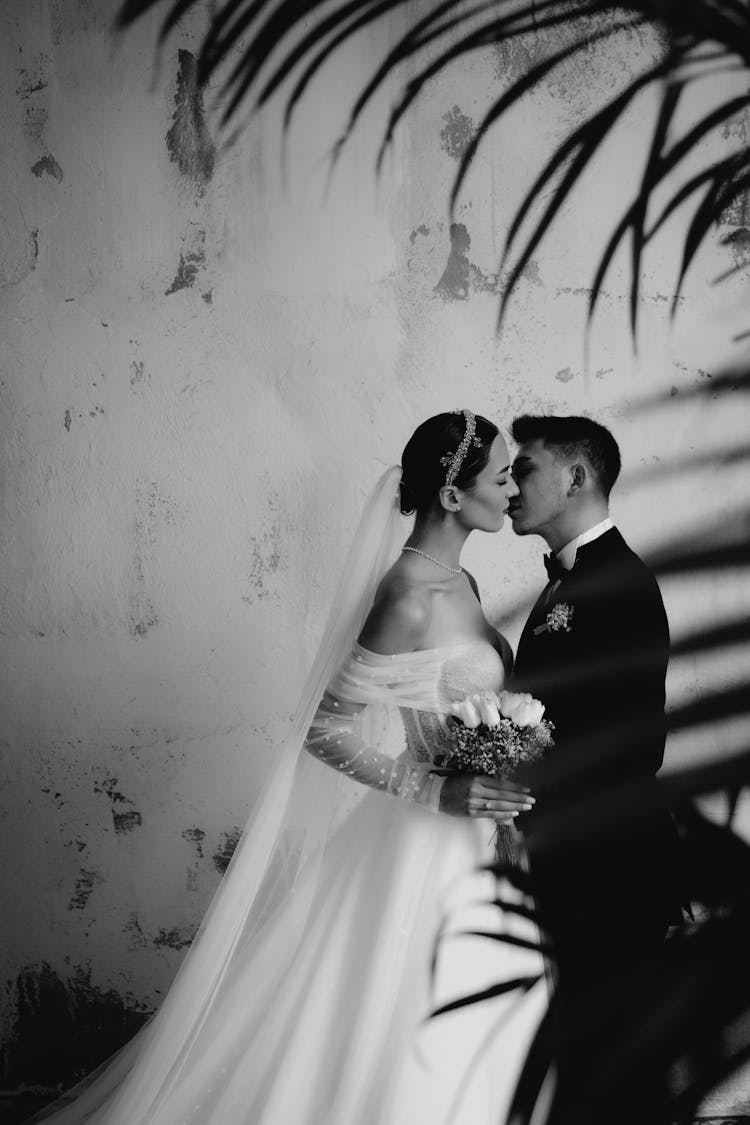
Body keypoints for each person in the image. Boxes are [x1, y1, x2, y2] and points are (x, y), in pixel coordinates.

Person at [30, 410, 549, 1125]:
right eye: (500, 475)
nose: (513, 488)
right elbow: (327, 730)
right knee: (414, 1015)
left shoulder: (462, 582)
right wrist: (433, 787)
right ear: (454, 497)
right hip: (423, 838)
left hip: (476, 839)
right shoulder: (408, 596)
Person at [509, 413, 685, 1124]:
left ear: (576, 476)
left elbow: (631, 744)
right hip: (573, 866)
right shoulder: (561, 586)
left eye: (525, 469)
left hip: (606, 867)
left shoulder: (620, 582)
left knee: (616, 1072)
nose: (511, 484)